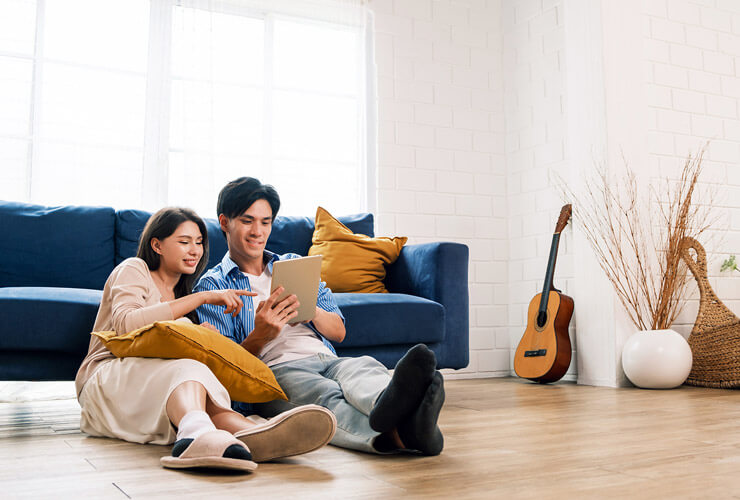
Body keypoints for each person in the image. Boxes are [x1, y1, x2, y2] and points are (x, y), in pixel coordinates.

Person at [75, 207, 336, 473]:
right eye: (184, 241)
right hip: (107, 379)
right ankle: (195, 435)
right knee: (190, 370)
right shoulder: (135, 269)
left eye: (199, 242)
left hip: (158, 387)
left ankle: (256, 433)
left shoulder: (183, 297)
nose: (195, 250)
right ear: (157, 245)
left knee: (203, 381)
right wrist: (202, 298)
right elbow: (126, 325)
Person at [196, 178, 446, 455]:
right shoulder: (212, 287)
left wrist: (310, 311)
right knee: (325, 397)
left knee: (363, 368)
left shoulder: (294, 263)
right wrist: (261, 334)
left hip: (328, 359)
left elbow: (338, 332)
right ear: (224, 222)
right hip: (278, 370)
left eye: (265, 222)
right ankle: (409, 431)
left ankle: (386, 402)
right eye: (247, 221)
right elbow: (226, 371)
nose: (258, 231)